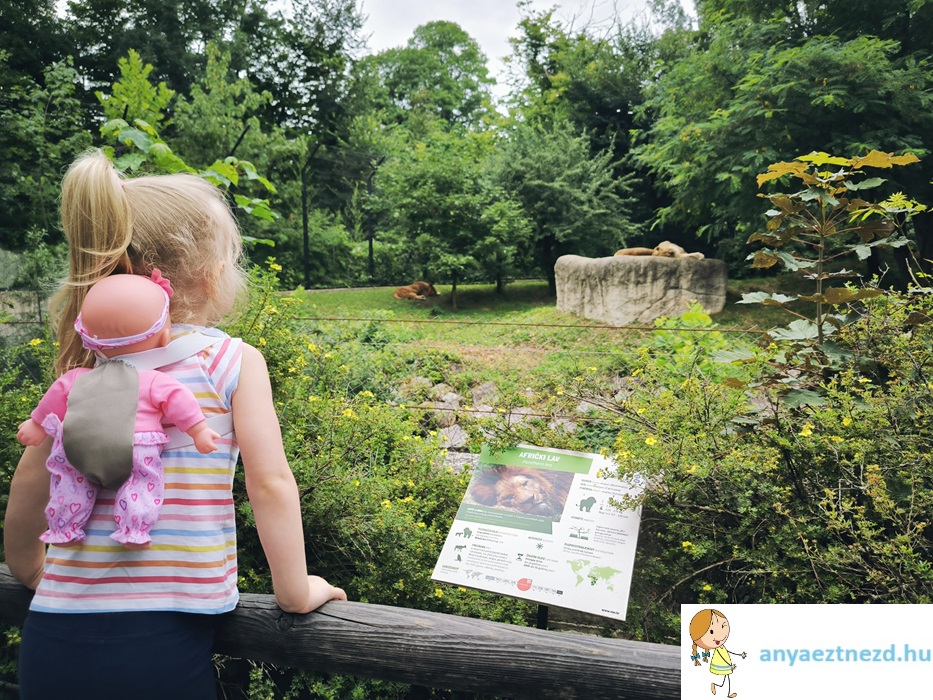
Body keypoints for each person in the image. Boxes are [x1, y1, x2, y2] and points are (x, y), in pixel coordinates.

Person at [5, 150, 347, 700]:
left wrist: (29, 569)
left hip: (53, 635)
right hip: (165, 638)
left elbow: (30, 478)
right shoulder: (230, 362)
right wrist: (294, 591)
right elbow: (269, 483)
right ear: (212, 276)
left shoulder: (85, 372)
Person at [17, 271, 220, 547]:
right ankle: (133, 529)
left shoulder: (77, 377)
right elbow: (178, 399)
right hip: (135, 446)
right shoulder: (152, 380)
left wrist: (36, 425)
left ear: (87, 338)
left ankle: (64, 528)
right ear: (165, 337)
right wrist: (199, 430)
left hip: (78, 444)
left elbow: (55, 396)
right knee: (142, 483)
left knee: (71, 481)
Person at [689, 608, 747, 697]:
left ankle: (722, 689)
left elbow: (728, 652)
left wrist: (740, 655)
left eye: (723, 627)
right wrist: (730, 665)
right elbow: (722, 656)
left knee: (725, 679)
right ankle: (723, 690)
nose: (720, 635)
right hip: (721, 665)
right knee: (725, 679)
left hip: (725, 665)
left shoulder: (722, 646)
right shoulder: (718, 648)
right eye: (711, 631)